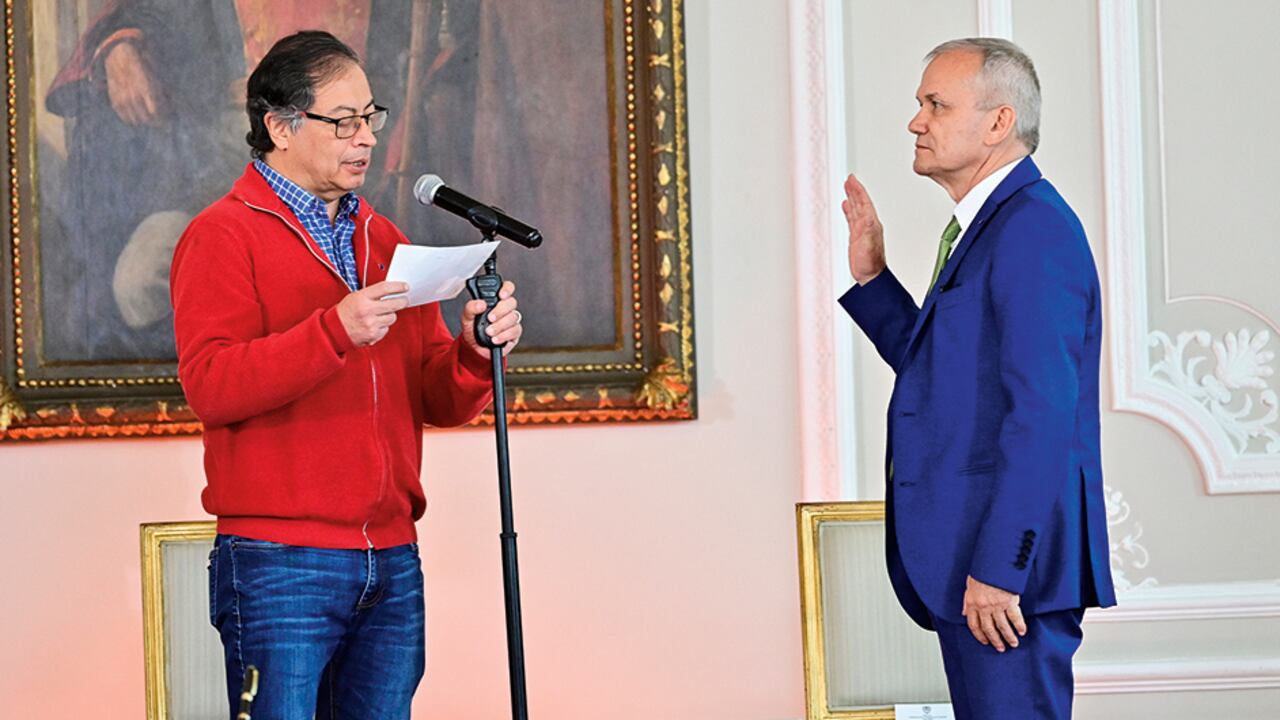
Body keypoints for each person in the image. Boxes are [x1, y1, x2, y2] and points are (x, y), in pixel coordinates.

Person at [169, 31, 523, 718]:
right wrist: (334, 330)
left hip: (391, 558)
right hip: (279, 561)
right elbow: (211, 384)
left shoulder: (384, 238)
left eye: (371, 118)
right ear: (279, 125)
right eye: (344, 122)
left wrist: (476, 353)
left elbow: (431, 395)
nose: (365, 138)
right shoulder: (222, 235)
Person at [836, 38, 1115, 719]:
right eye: (919, 104)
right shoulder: (990, 227)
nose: (916, 121)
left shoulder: (1033, 228)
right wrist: (873, 279)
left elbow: (1042, 414)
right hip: (974, 566)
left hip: (1005, 580)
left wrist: (998, 568)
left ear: (998, 124)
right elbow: (952, 381)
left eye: (936, 104)